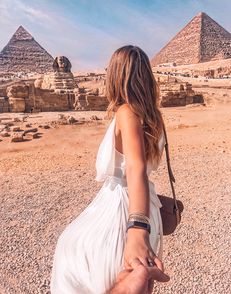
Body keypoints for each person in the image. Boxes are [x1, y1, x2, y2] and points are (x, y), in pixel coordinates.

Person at [50, 45, 167, 293]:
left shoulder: (127, 112)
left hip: (124, 209)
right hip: (145, 203)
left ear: (114, 75)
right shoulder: (154, 115)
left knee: (72, 251)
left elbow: (135, 167)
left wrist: (137, 228)